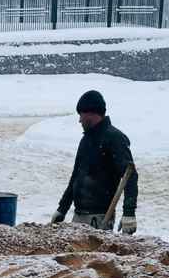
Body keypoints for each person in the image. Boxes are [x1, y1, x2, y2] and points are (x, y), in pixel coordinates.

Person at [51, 90, 138, 235]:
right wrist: (62, 209)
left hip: (99, 219)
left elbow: (130, 175)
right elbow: (76, 177)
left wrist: (129, 213)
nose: (79, 120)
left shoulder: (114, 138)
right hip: (78, 216)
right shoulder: (86, 140)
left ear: (91, 113)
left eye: (81, 115)